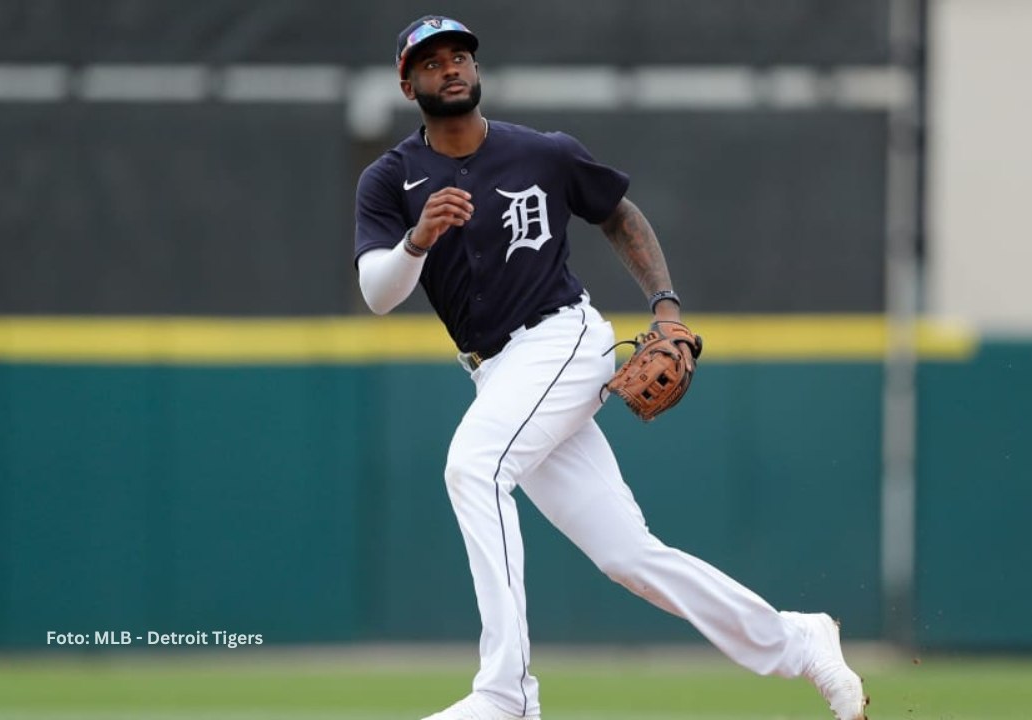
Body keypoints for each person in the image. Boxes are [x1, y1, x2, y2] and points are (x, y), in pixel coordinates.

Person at [353, 15, 869, 720]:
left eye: (460, 56)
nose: (450, 68)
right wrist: (415, 241)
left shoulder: (541, 153)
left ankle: (506, 694)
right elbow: (379, 295)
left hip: (562, 340)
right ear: (406, 81)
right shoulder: (389, 181)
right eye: (431, 60)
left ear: (475, 69)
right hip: (496, 374)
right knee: (629, 555)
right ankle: (797, 640)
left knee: (472, 467)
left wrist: (665, 308)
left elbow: (619, 215)